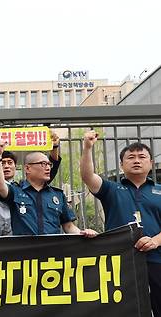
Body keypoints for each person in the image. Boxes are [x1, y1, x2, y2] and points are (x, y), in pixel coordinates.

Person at [80, 130, 161, 315]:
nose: (137, 160)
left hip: (157, 259)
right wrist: (87, 148)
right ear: (121, 164)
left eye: (142, 157)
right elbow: (87, 176)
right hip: (120, 260)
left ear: (151, 163)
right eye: (130, 157)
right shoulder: (111, 188)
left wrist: (155, 241)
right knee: (123, 310)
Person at [0, 139, 97, 237]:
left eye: (49, 164)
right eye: (43, 164)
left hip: (52, 253)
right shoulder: (16, 191)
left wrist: (83, 233)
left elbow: (69, 227)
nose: (48, 168)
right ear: (28, 168)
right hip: (24, 253)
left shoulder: (58, 195)